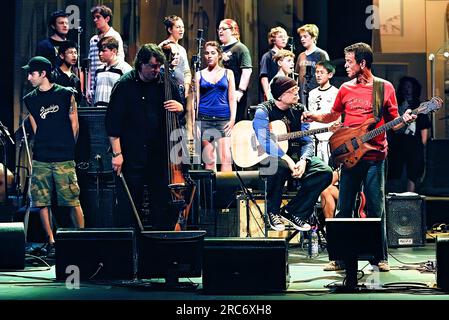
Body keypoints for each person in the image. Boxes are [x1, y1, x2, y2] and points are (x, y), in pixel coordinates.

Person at [303, 43, 416, 272]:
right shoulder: (345, 88)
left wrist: (406, 119)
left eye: (349, 62)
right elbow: (332, 115)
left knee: (376, 208)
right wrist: (313, 115)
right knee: (343, 208)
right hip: (349, 156)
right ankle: (341, 258)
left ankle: (379, 257)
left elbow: (394, 125)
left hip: (375, 156)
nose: (345, 66)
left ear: (362, 63)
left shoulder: (383, 88)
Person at [105, 43, 184, 230]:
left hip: (159, 154)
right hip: (132, 154)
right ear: (140, 64)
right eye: (153, 66)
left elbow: (180, 112)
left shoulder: (166, 82)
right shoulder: (125, 85)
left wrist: (180, 108)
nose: (157, 70)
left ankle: (160, 246)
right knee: (130, 205)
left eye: (159, 66)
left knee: (162, 205)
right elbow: (112, 122)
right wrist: (117, 154)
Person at [252, 76, 333, 232]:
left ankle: (294, 211)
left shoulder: (299, 110)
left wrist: (303, 160)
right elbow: (265, 141)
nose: (297, 94)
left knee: (324, 172)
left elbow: (308, 140)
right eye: (292, 91)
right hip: (272, 158)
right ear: (280, 95)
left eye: (296, 90)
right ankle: (273, 212)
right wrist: (288, 160)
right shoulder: (264, 110)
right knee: (278, 166)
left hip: (296, 156)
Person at [22, 56, 84, 258]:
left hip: (64, 156)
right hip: (42, 157)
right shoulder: (30, 99)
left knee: (71, 200)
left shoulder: (65, 94)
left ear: (43, 74)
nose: (29, 77)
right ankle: (51, 241)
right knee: (41, 201)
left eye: (32, 73)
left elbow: (74, 124)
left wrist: (67, 147)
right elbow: (35, 128)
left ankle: (82, 239)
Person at [196, 41, 236, 172]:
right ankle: (209, 192)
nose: (209, 56)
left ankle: (226, 192)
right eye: (207, 53)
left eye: (213, 53)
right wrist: (195, 124)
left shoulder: (228, 73)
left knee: (226, 157)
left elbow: (232, 98)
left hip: (223, 119)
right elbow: (195, 101)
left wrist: (232, 120)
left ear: (219, 55)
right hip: (205, 119)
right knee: (209, 159)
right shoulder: (199, 74)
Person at [308, 61, 340, 219]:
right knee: (319, 182)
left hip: (330, 141)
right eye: (317, 72)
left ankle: (349, 204)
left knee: (326, 182)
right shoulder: (312, 93)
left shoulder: (336, 92)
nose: (318, 75)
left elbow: (337, 118)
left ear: (330, 74)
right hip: (315, 139)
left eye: (322, 72)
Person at [387, 76, 431, 192]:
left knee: (413, 171)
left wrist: (421, 145)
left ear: (414, 89)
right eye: (405, 86)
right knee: (395, 170)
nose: (407, 89)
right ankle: (393, 197)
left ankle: (410, 196)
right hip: (397, 143)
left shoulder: (420, 106)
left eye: (409, 87)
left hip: (414, 143)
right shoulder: (396, 104)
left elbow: (424, 127)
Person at [87, 5, 125, 105]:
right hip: (96, 82)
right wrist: (89, 88)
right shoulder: (93, 39)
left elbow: (120, 60)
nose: (95, 20)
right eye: (94, 17)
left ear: (107, 18)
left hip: (110, 81)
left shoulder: (115, 36)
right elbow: (91, 65)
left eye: (98, 17)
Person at [218, 19, 252, 122]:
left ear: (233, 30)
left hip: (235, 94)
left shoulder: (241, 48)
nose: (220, 31)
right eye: (219, 29)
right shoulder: (219, 49)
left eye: (223, 29)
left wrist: (240, 91)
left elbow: (247, 71)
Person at [294, 24, 329, 106]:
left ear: (313, 37)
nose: (302, 39)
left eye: (305, 36)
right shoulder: (301, 56)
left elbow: (327, 75)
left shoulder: (322, 54)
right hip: (302, 96)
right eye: (301, 37)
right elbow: (296, 75)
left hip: (317, 96)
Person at [159, 15, 192, 100]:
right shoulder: (163, 46)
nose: (181, 30)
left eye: (183, 27)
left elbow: (187, 71)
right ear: (170, 30)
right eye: (178, 27)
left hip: (181, 91)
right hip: (167, 90)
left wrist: (186, 87)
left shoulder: (182, 49)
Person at [93, 36, 132, 107]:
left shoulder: (125, 69)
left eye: (104, 51)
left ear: (114, 51)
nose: (100, 54)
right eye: (99, 51)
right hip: (98, 113)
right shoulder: (99, 70)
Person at [259, 26, 289, 101]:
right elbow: (264, 76)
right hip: (272, 93)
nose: (284, 39)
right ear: (273, 40)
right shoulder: (267, 56)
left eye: (285, 37)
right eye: (280, 37)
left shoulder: (287, 55)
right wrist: (267, 95)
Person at [53, 40, 82, 104]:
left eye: (75, 53)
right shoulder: (54, 75)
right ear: (62, 56)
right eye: (70, 53)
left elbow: (78, 100)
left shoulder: (76, 79)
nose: (74, 55)